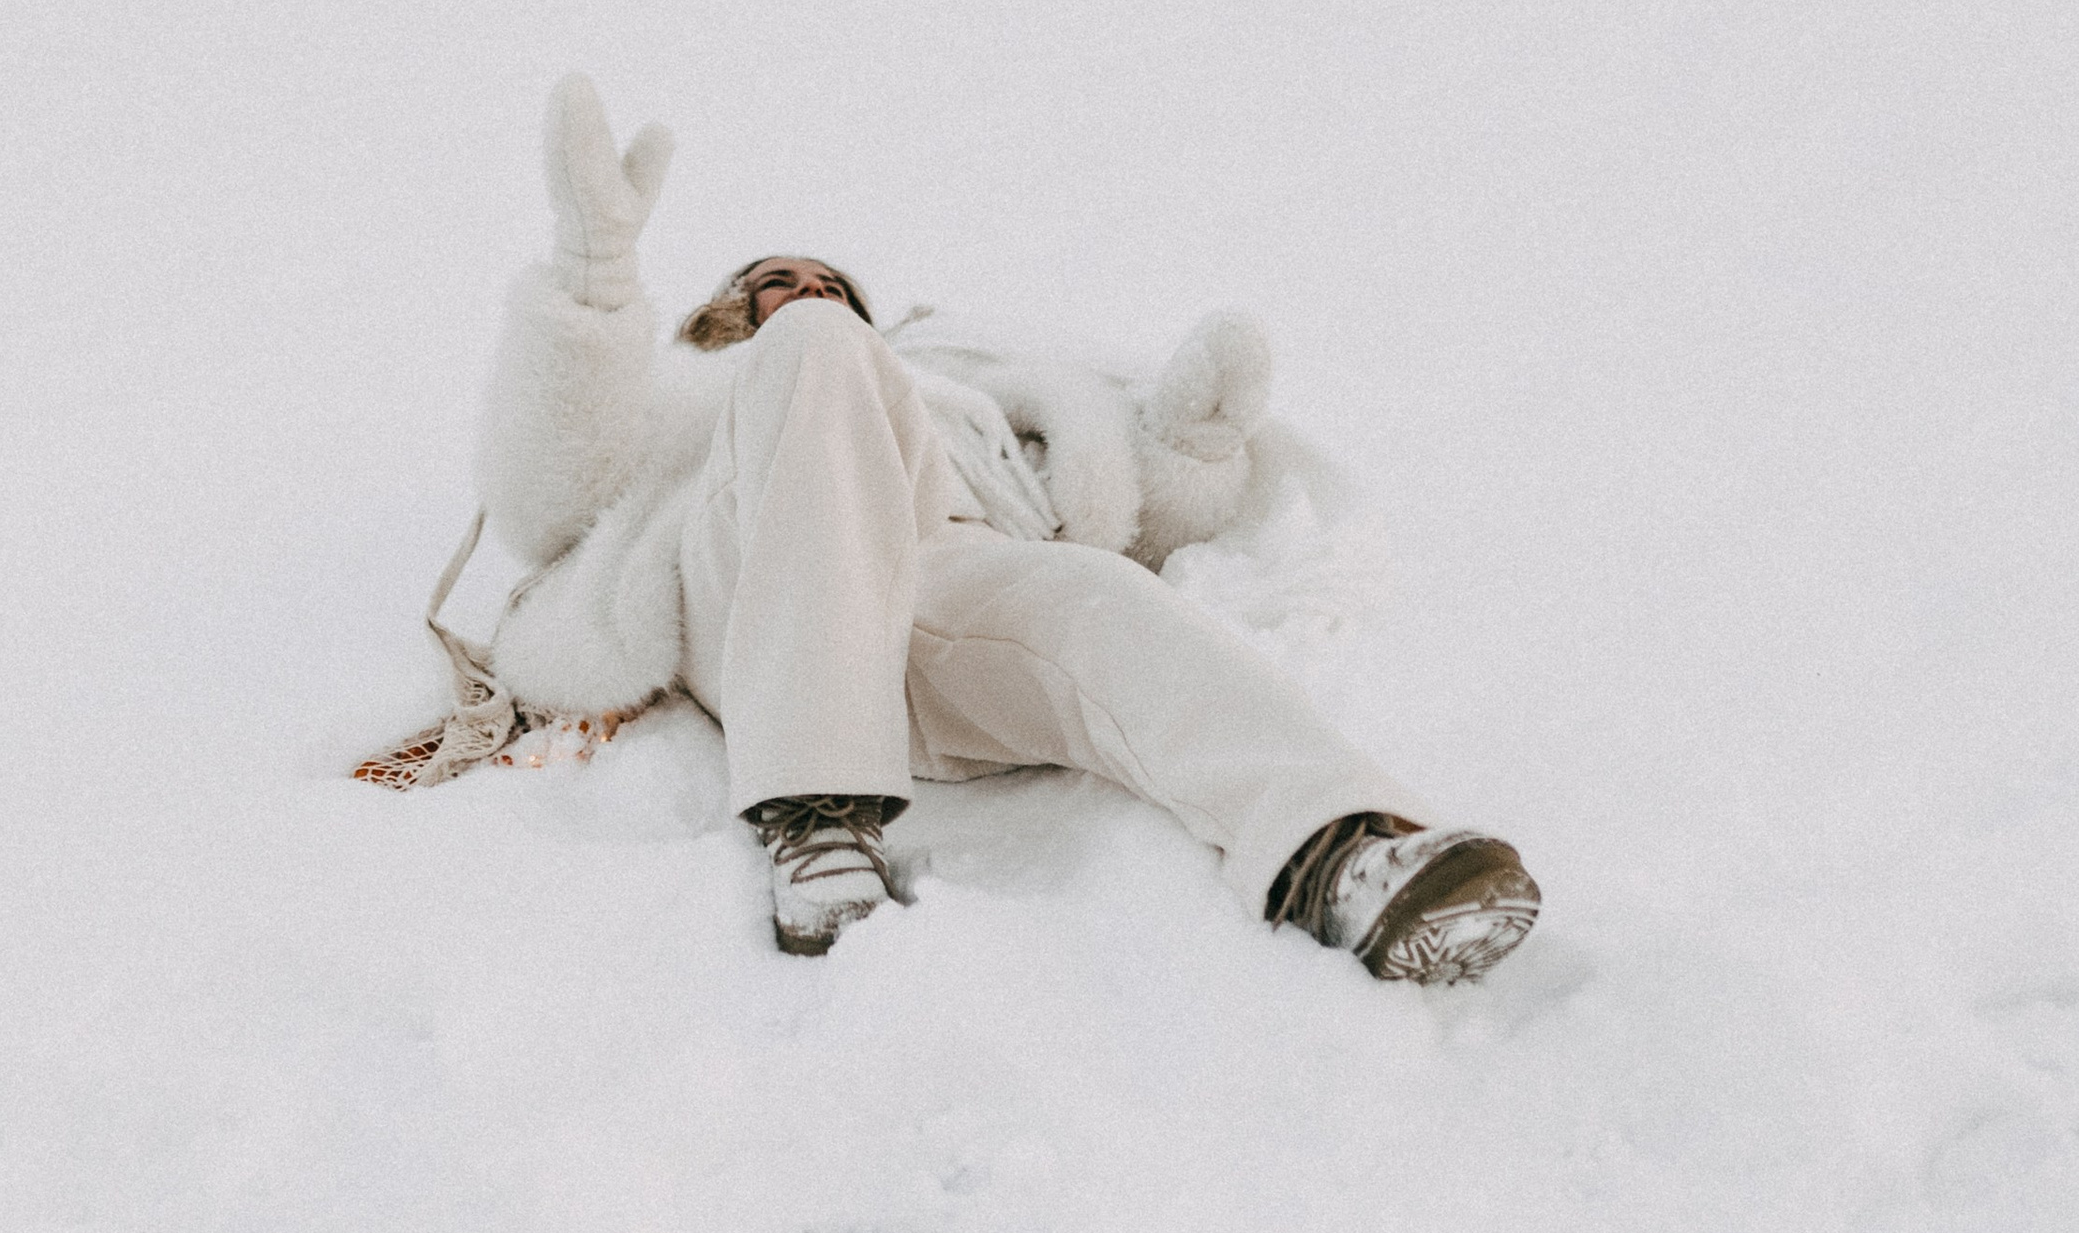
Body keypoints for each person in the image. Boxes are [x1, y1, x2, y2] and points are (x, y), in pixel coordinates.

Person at [465, 76, 1540, 979]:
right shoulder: (687, 392)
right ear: (717, 320)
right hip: (747, 579)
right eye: (768, 287)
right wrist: (596, 282)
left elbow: (1118, 518)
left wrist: (1188, 450)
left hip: (941, 570)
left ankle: (1336, 850)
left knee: (1101, 598)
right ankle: (815, 811)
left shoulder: (957, 393)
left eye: (826, 284)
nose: (800, 293)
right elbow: (546, 492)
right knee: (819, 359)